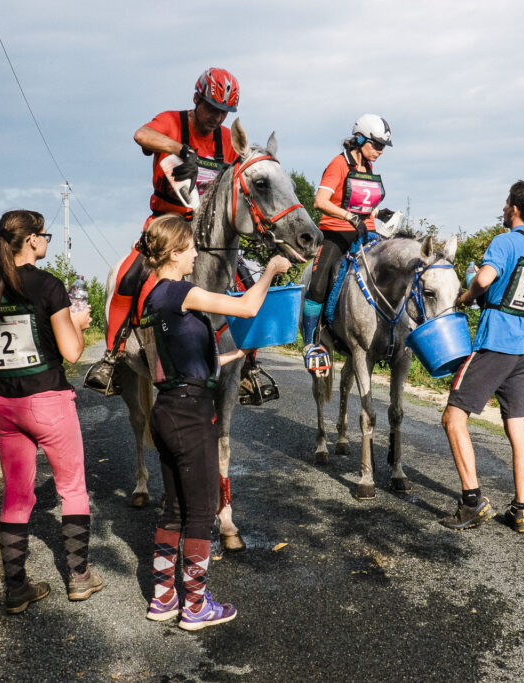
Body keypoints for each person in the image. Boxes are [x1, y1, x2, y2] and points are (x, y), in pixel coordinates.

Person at [136, 214, 291, 630]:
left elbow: (174, 361)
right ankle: (197, 606)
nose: (196, 255)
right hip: (190, 414)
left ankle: (164, 598)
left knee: (172, 508)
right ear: (172, 253)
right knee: (202, 511)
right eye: (190, 248)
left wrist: (226, 358)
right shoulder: (182, 291)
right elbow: (246, 306)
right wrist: (272, 270)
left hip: (168, 407)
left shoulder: (154, 298)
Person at [0, 210, 103, 613]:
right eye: (44, 234)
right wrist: (80, 324)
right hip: (48, 401)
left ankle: (15, 589)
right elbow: (71, 353)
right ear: (31, 240)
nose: (46, 239)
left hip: (3, 403)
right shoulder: (48, 285)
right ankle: (79, 578)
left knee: (15, 496)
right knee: (73, 489)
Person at [84, 68, 241, 393]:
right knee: (129, 276)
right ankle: (111, 358)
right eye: (211, 107)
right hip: (165, 225)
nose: (216, 117)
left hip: (209, 232)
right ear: (197, 98)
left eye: (223, 112)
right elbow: (141, 135)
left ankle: (249, 364)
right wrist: (180, 149)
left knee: (244, 280)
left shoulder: (225, 139)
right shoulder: (173, 121)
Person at [440, 181, 524, 533]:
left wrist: (467, 293)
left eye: (506, 204)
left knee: (453, 417)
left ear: (515, 208)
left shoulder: (504, 242)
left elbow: (486, 279)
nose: (504, 209)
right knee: (517, 427)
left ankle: (471, 502)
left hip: (496, 341)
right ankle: (520, 510)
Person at [301, 114, 397, 373]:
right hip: (337, 234)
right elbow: (320, 201)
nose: (379, 151)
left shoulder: (368, 168)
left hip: (366, 233)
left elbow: (362, 204)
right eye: (376, 144)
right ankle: (310, 343)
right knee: (319, 284)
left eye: (382, 147)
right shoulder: (338, 164)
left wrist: (378, 213)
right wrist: (349, 217)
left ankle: (388, 341)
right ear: (360, 139)